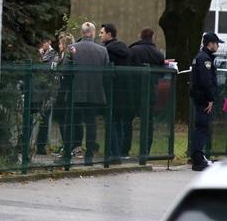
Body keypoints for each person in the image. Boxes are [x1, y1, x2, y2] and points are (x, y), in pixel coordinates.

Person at [65, 22, 109, 164]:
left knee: (72, 123)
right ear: (93, 32)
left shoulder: (72, 48)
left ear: (82, 32)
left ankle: (68, 153)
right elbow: (106, 71)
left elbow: (66, 71)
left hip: (76, 92)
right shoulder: (102, 50)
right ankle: (89, 154)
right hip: (95, 93)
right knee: (91, 124)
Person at [127, 28, 165, 156]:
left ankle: (125, 149)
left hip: (133, 91)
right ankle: (145, 151)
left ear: (140, 36)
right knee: (148, 122)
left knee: (128, 120)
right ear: (152, 37)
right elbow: (162, 73)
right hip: (150, 91)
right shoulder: (157, 53)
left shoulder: (133, 50)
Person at [189, 32, 221, 171]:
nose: (218, 46)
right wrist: (210, 99)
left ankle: (199, 156)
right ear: (210, 43)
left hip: (200, 97)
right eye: (216, 43)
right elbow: (205, 81)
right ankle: (197, 159)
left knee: (201, 127)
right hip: (203, 99)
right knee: (202, 128)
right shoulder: (205, 59)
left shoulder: (200, 57)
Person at [100, 23, 129, 158]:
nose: (100, 35)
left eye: (102, 33)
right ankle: (120, 151)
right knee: (119, 121)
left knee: (111, 122)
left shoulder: (106, 51)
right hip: (123, 91)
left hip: (110, 89)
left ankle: (114, 152)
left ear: (109, 34)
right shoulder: (124, 49)